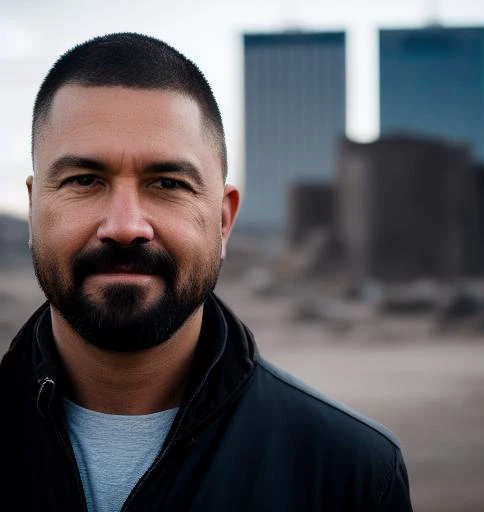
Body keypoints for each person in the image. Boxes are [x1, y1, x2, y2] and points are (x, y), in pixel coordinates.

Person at [0, 33, 413, 511]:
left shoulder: (352, 475)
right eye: (84, 180)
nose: (125, 227)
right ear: (33, 209)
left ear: (222, 221)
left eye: (168, 183)